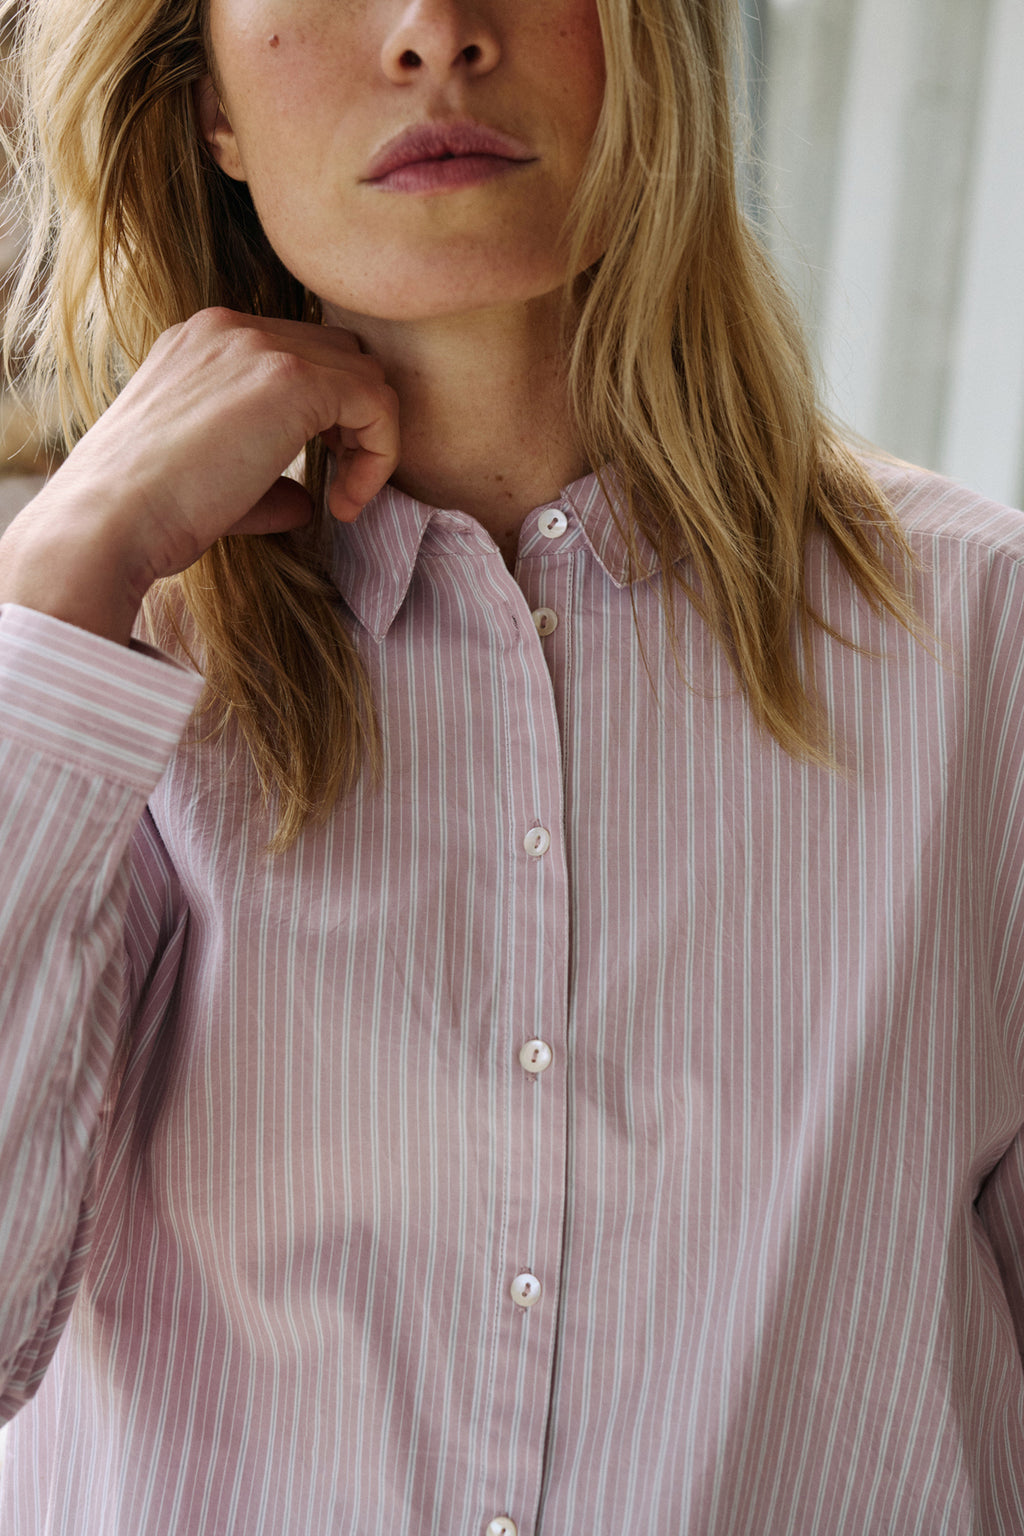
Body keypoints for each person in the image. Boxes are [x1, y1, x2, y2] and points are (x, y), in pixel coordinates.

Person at [0, 0, 1023, 1530]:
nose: (433, 31)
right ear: (206, 99)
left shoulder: (983, 640)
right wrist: (67, 577)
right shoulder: (89, 668)